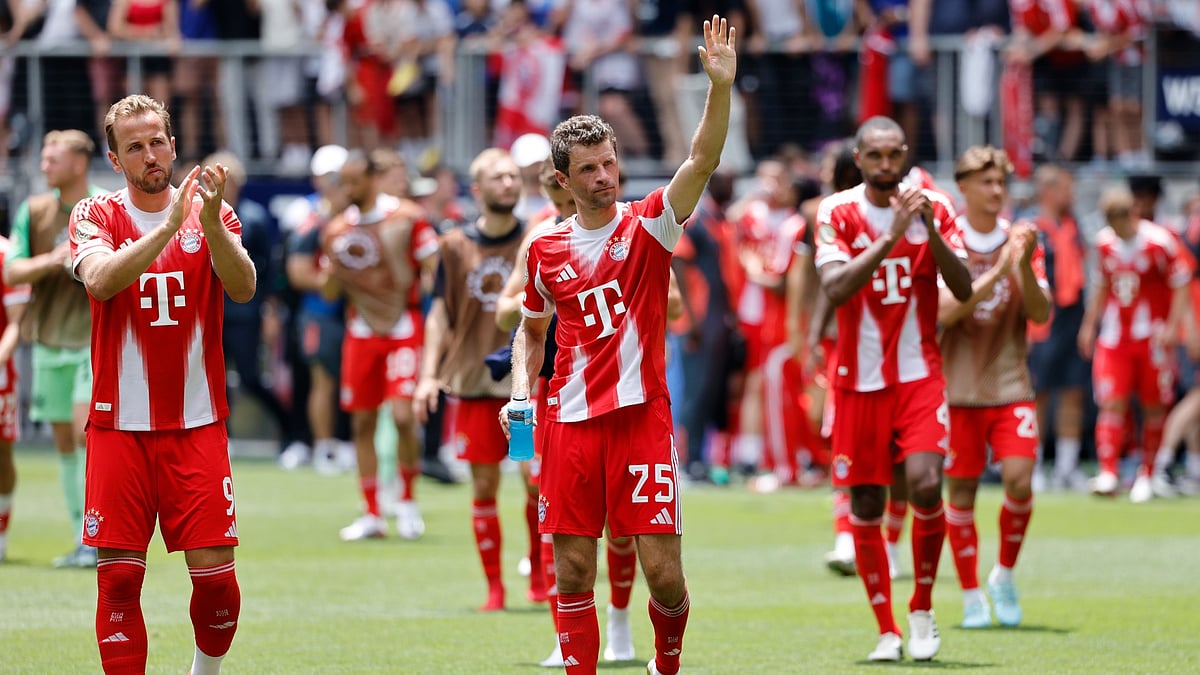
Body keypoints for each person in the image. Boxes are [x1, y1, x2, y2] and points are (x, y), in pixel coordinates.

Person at [505, 16, 736, 674]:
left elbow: (702, 160)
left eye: (610, 162)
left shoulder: (649, 225)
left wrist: (718, 89)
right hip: (568, 424)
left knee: (663, 572)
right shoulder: (545, 249)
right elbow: (530, 329)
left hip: (640, 419)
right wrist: (522, 394)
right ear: (563, 180)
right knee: (572, 567)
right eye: (589, 168)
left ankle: (666, 663)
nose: (606, 176)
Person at [68, 94, 255, 675]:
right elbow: (100, 281)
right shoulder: (95, 214)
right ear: (114, 157)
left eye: (157, 142)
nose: (150, 155)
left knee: (219, 583)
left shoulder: (213, 212)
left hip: (196, 424)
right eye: (135, 147)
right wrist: (168, 229)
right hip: (118, 426)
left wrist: (206, 226)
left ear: (173, 145)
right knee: (120, 577)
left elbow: (244, 286)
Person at [814, 115, 972, 662]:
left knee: (928, 486)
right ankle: (886, 630)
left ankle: (923, 608)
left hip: (918, 375)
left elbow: (963, 285)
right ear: (858, 159)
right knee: (866, 501)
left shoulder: (937, 206)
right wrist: (888, 237)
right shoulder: (836, 212)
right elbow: (834, 288)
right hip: (858, 382)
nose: (886, 166)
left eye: (893, 155)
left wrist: (926, 230)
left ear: (905, 155)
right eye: (874, 156)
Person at [937, 146, 1050, 629]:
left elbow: (1041, 312)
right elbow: (946, 312)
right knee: (960, 491)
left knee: (1021, 479)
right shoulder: (948, 240)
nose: (996, 190)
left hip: (1010, 384)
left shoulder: (1020, 241)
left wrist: (1020, 264)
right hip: (957, 388)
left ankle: (1003, 574)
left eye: (1001, 182)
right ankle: (969, 593)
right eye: (986, 182)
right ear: (963, 187)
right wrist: (1000, 270)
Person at [413, 146, 527, 611]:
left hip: (524, 387)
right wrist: (427, 375)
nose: (509, 184)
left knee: (537, 481)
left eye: (514, 177)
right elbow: (439, 313)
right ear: (478, 190)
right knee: (484, 487)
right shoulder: (453, 246)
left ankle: (542, 576)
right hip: (478, 387)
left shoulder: (536, 240)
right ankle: (495, 589)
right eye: (499, 178)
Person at [4, 129, 107, 568]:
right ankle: (81, 536)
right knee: (65, 442)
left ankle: (100, 537)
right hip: (48, 339)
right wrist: (55, 259)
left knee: (90, 435)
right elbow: (12, 272)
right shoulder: (35, 211)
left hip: (93, 338)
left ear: (79, 163)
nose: (45, 165)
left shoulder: (104, 205)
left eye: (53, 158)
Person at [322, 150, 436, 541]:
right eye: (344, 182)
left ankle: (406, 501)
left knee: (403, 416)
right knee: (363, 420)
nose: (348, 189)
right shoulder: (337, 230)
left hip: (404, 324)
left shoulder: (406, 218)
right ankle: (372, 511)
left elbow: (433, 267)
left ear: (373, 179)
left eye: (355, 181)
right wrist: (333, 269)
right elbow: (329, 289)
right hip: (362, 329)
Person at [1078, 186, 1191, 502]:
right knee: (1112, 401)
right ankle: (1109, 471)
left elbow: (1180, 284)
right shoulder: (1104, 243)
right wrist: (1089, 326)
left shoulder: (1160, 241)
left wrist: (1173, 326)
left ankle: (1148, 472)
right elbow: (1101, 287)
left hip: (1152, 336)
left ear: (1133, 213)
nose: (1117, 228)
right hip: (1115, 337)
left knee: (1153, 405)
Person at [204, 151, 292, 454]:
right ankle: (219, 441)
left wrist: (270, 311)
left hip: (244, 311)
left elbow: (268, 270)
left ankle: (289, 427)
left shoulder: (252, 217)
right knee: (213, 380)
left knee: (251, 377)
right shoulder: (199, 214)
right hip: (211, 311)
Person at [280, 145, 352, 472]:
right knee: (322, 380)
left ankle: (347, 442)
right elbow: (297, 272)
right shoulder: (310, 217)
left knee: (354, 380)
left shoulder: (357, 215)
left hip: (355, 312)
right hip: (320, 311)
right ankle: (324, 446)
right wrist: (332, 280)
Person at [1025, 165, 1090, 490]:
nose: (1072, 195)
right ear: (1049, 192)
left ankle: (1067, 466)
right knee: (1039, 394)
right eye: (1067, 189)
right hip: (1044, 322)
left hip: (1073, 319)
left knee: (1073, 392)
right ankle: (1034, 466)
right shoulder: (1031, 228)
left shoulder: (1075, 227)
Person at [0, 237, 30, 563]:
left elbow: (15, 325)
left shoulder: (6, 255)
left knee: (2, 455)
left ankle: (1, 532)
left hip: (0, 375)